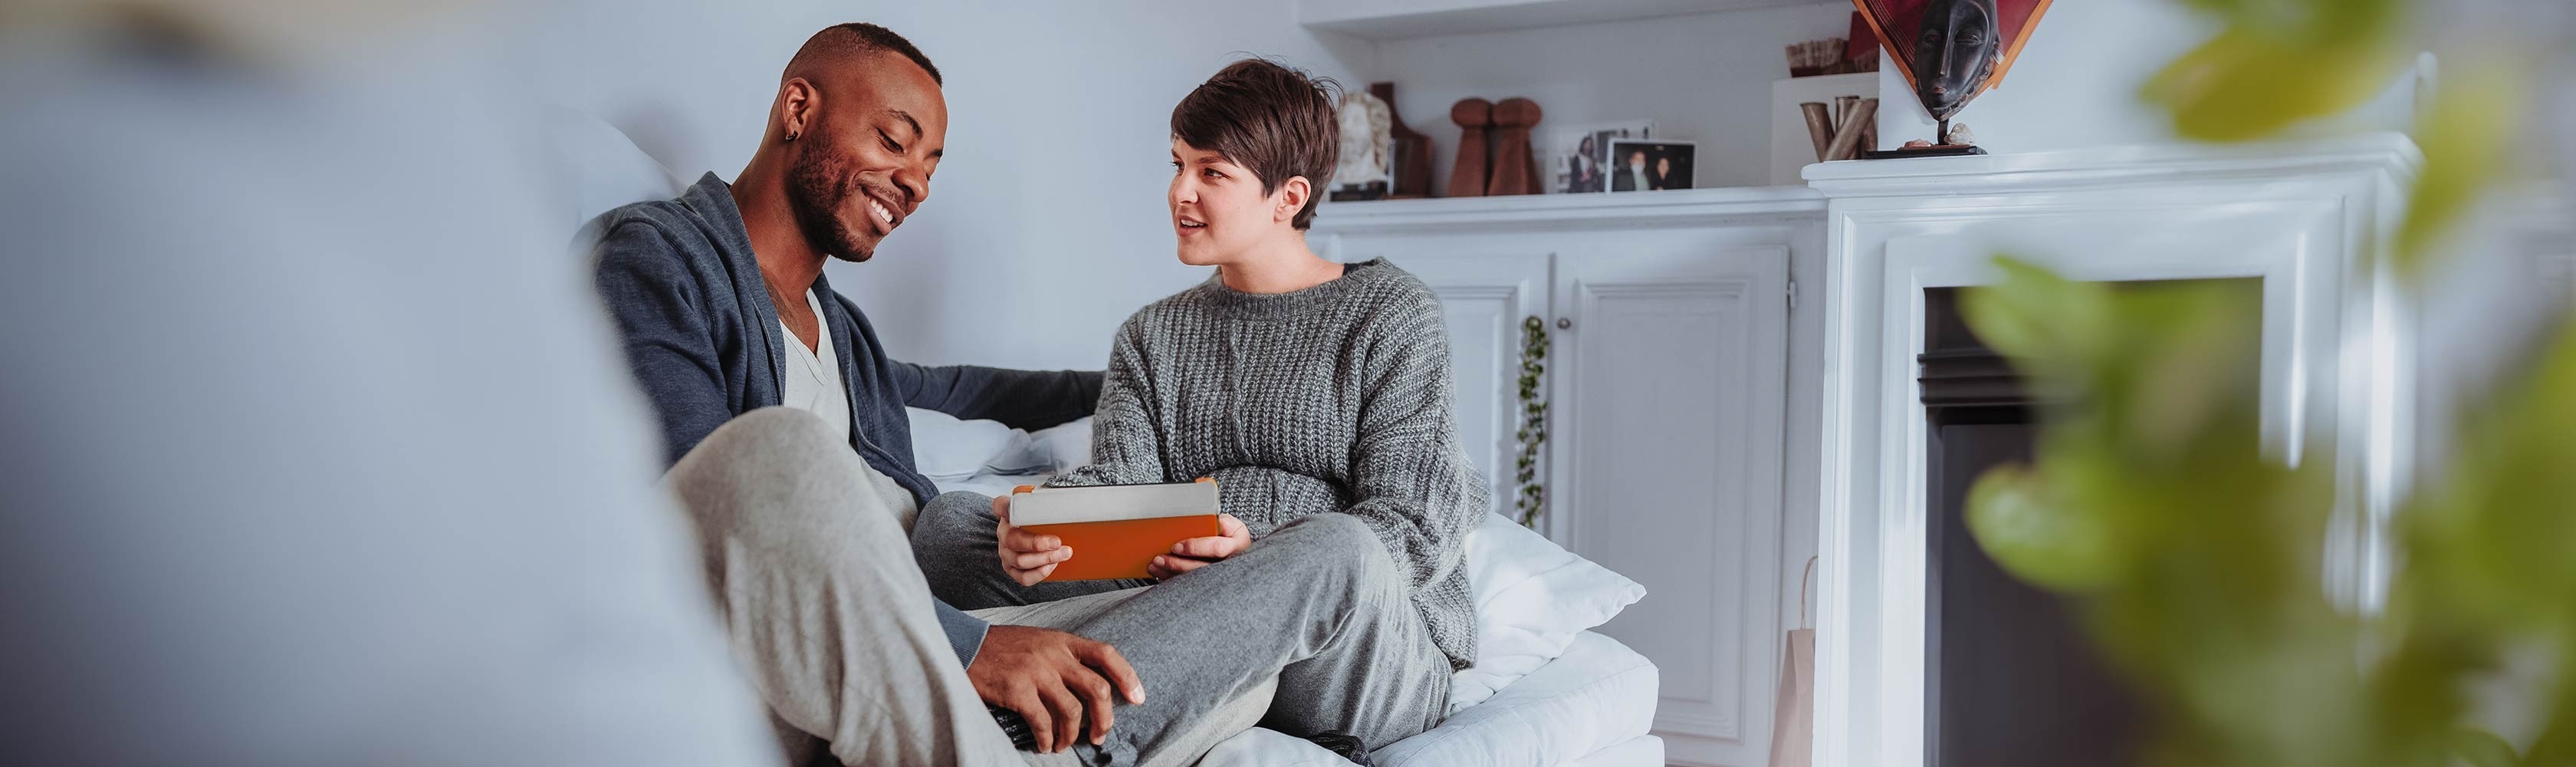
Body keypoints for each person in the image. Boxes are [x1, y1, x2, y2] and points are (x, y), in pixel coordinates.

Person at [591, 25, 1432, 766]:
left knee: (1316, 577)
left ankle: (1031, 728)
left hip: (915, 625)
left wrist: (1216, 530)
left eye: (929, 168)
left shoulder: (839, 329)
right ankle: (1038, 730)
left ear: (1289, 199)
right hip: (825, 629)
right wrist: (995, 610)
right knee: (949, 518)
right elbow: (701, 497)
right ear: (799, 108)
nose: (914, 185)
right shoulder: (661, 257)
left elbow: (962, 388)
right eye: (895, 141)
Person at [909, 58, 1486, 754]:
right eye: (1179, 164)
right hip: (1183, 599)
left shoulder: (1391, 314)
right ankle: (1145, 662)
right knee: (951, 526)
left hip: (1358, 650)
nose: (1180, 191)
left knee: (1340, 547)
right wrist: (1044, 523)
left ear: (1289, 197)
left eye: (1212, 173)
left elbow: (1413, 529)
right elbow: (1122, 487)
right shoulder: (1152, 334)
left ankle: (1069, 731)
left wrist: (1258, 552)